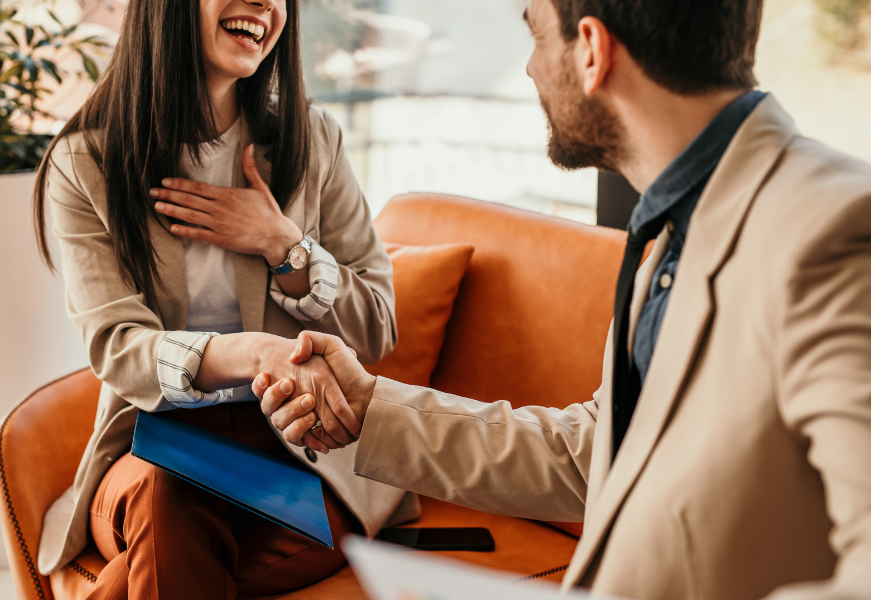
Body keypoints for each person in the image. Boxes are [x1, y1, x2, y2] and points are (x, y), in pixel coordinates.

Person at [257, 0, 871, 598]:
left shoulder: (837, 232)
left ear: (593, 52)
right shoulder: (679, 229)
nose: (528, 68)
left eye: (537, 36)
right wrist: (369, 406)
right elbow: (594, 454)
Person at [30, 0, 417, 597]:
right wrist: (254, 353)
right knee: (171, 494)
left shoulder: (312, 141)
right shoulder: (85, 163)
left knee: (164, 563)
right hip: (153, 447)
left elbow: (376, 329)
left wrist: (284, 246)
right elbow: (117, 346)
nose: (265, 4)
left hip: (297, 452)